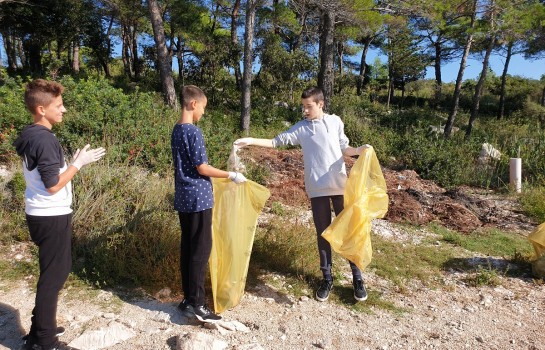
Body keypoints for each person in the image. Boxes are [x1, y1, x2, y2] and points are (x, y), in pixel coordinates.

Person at [235, 87, 369, 302]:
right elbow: (275, 142)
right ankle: (327, 278)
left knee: (348, 232)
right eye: (303, 107)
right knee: (323, 233)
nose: (305, 110)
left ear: (320, 104)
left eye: (309, 106)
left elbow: (345, 148)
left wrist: (359, 150)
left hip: (340, 186)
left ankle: (357, 278)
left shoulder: (335, 121)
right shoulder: (301, 128)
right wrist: (250, 140)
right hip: (316, 189)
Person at [13, 79, 106, 350]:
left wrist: (71, 161)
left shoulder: (30, 134)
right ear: (41, 109)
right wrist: (78, 164)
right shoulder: (45, 139)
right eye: (59, 105)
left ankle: (41, 329)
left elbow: (46, 175)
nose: (63, 110)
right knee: (55, 276)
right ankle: (45, 341)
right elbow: (53, 185)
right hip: (51, 214)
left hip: (39, 213)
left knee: (51, 273)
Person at [172, 85, 247, 322]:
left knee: (188, 249)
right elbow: (202, 167)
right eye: (203, 107)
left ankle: (187, 299)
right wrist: (231, 175)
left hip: (184, 197)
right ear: (193, 104)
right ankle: (198, 304)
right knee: (201, 251)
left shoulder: (176, 130)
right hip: (199, 198)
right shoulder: (193, 132)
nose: (203, 112)